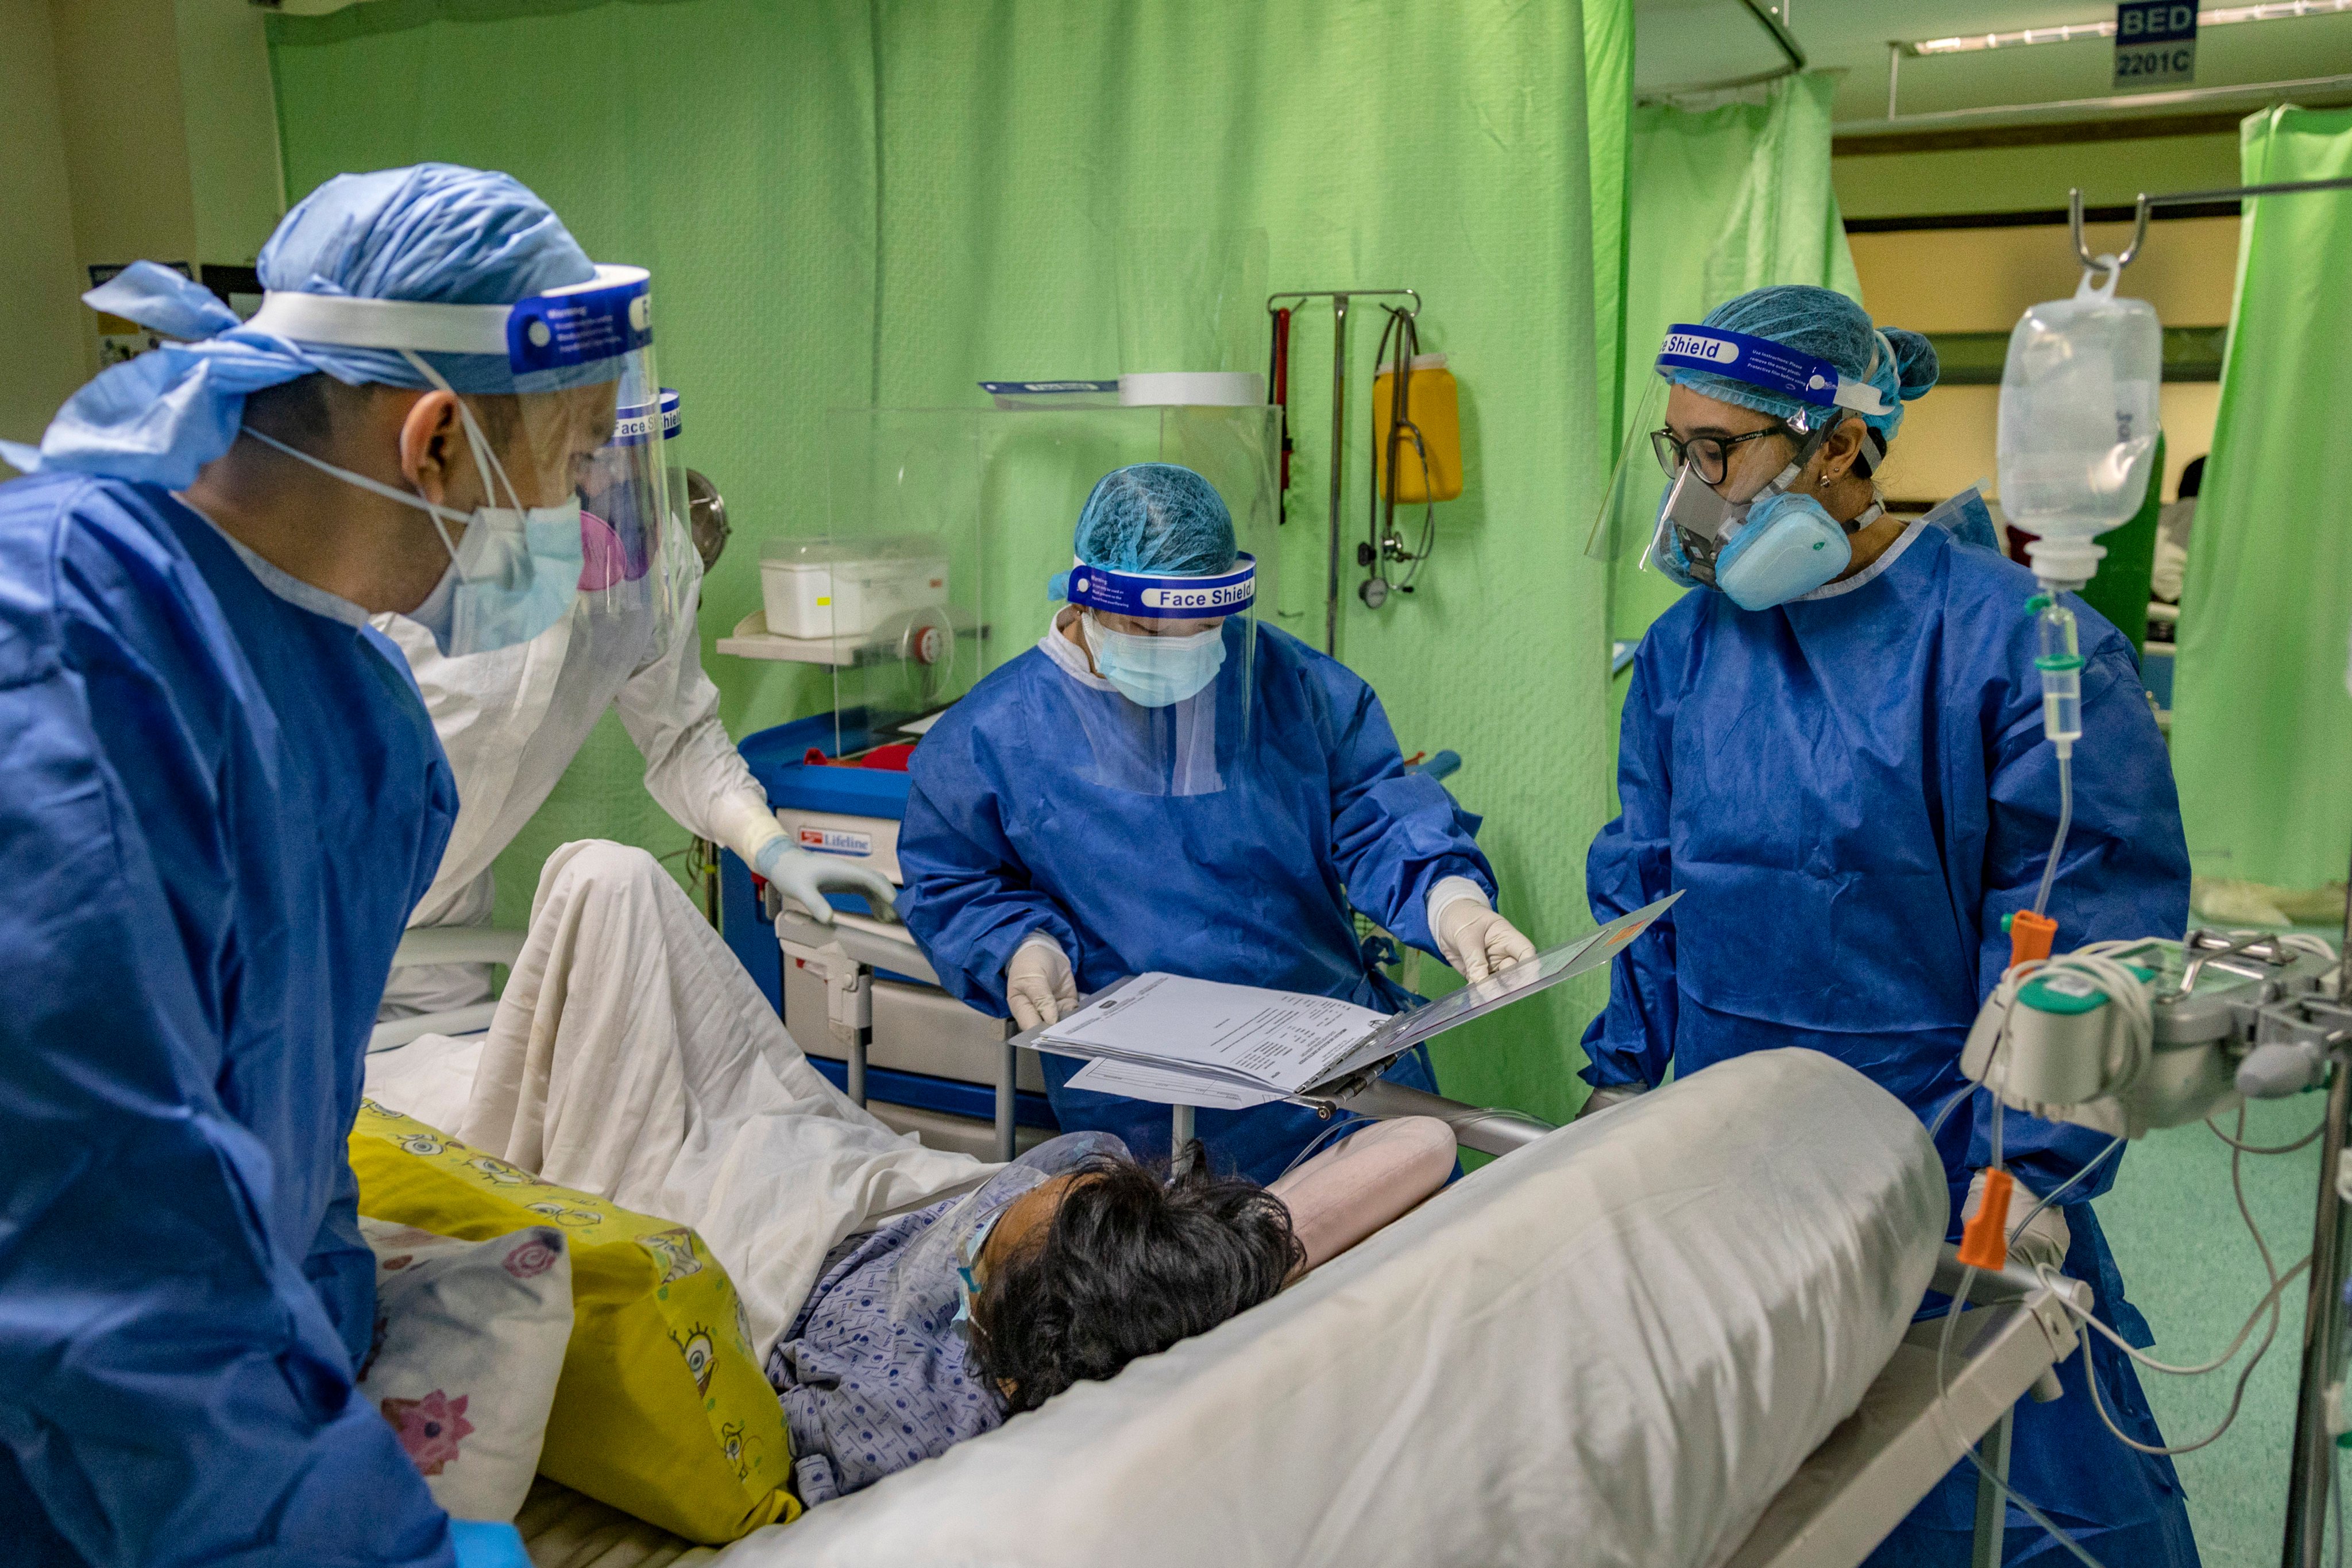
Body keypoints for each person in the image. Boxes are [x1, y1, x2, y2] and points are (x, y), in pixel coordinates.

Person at [0, 163, 673, 1568]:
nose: (576, 518)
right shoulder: (61, 661)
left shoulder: (361, 711)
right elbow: (99, 1252)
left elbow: (292, 1174)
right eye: (567, 464)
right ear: (433, 442)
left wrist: (332, 1408)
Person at [1582, 285, 2198, 1566]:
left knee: (2011, 1503)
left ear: (1839, 447)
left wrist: (2017, 1174)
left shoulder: (2020, 650)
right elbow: (1645, 891)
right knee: (1764, 1502)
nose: (1693, 495)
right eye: (1676, 452)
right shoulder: (1686, 655)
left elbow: (2074, 946)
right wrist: (1621, 1080)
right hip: (1731, 1164)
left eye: (1719, 453)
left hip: (1948, 1173)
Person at [896, 462, 1534, 1183]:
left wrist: (1449, 899)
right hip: (1150, 1118)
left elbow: (1374, 809)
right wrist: (1021, 947)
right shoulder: (992, 734)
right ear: (1085, 598)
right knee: (1209, 1287)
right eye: (1146, 628)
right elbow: (955, 880)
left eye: (1203, 629)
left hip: (1337, 1082)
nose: (1180, 652)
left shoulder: (1286, 684)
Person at [376, 389, 891, 1021]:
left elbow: (682, 735)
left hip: (445, 918)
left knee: (438, 1105)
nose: (618, 475)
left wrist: (770, 847)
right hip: (311, 894)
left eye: (635, 454)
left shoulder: (658, 565)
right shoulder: (426, 554)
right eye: (590, 452)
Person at [768, 1132, 1299, 1502]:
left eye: (980, 1254)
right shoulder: (1143, 1254)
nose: (967, 1244)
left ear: (1009, 1367)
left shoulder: (902, 1420)